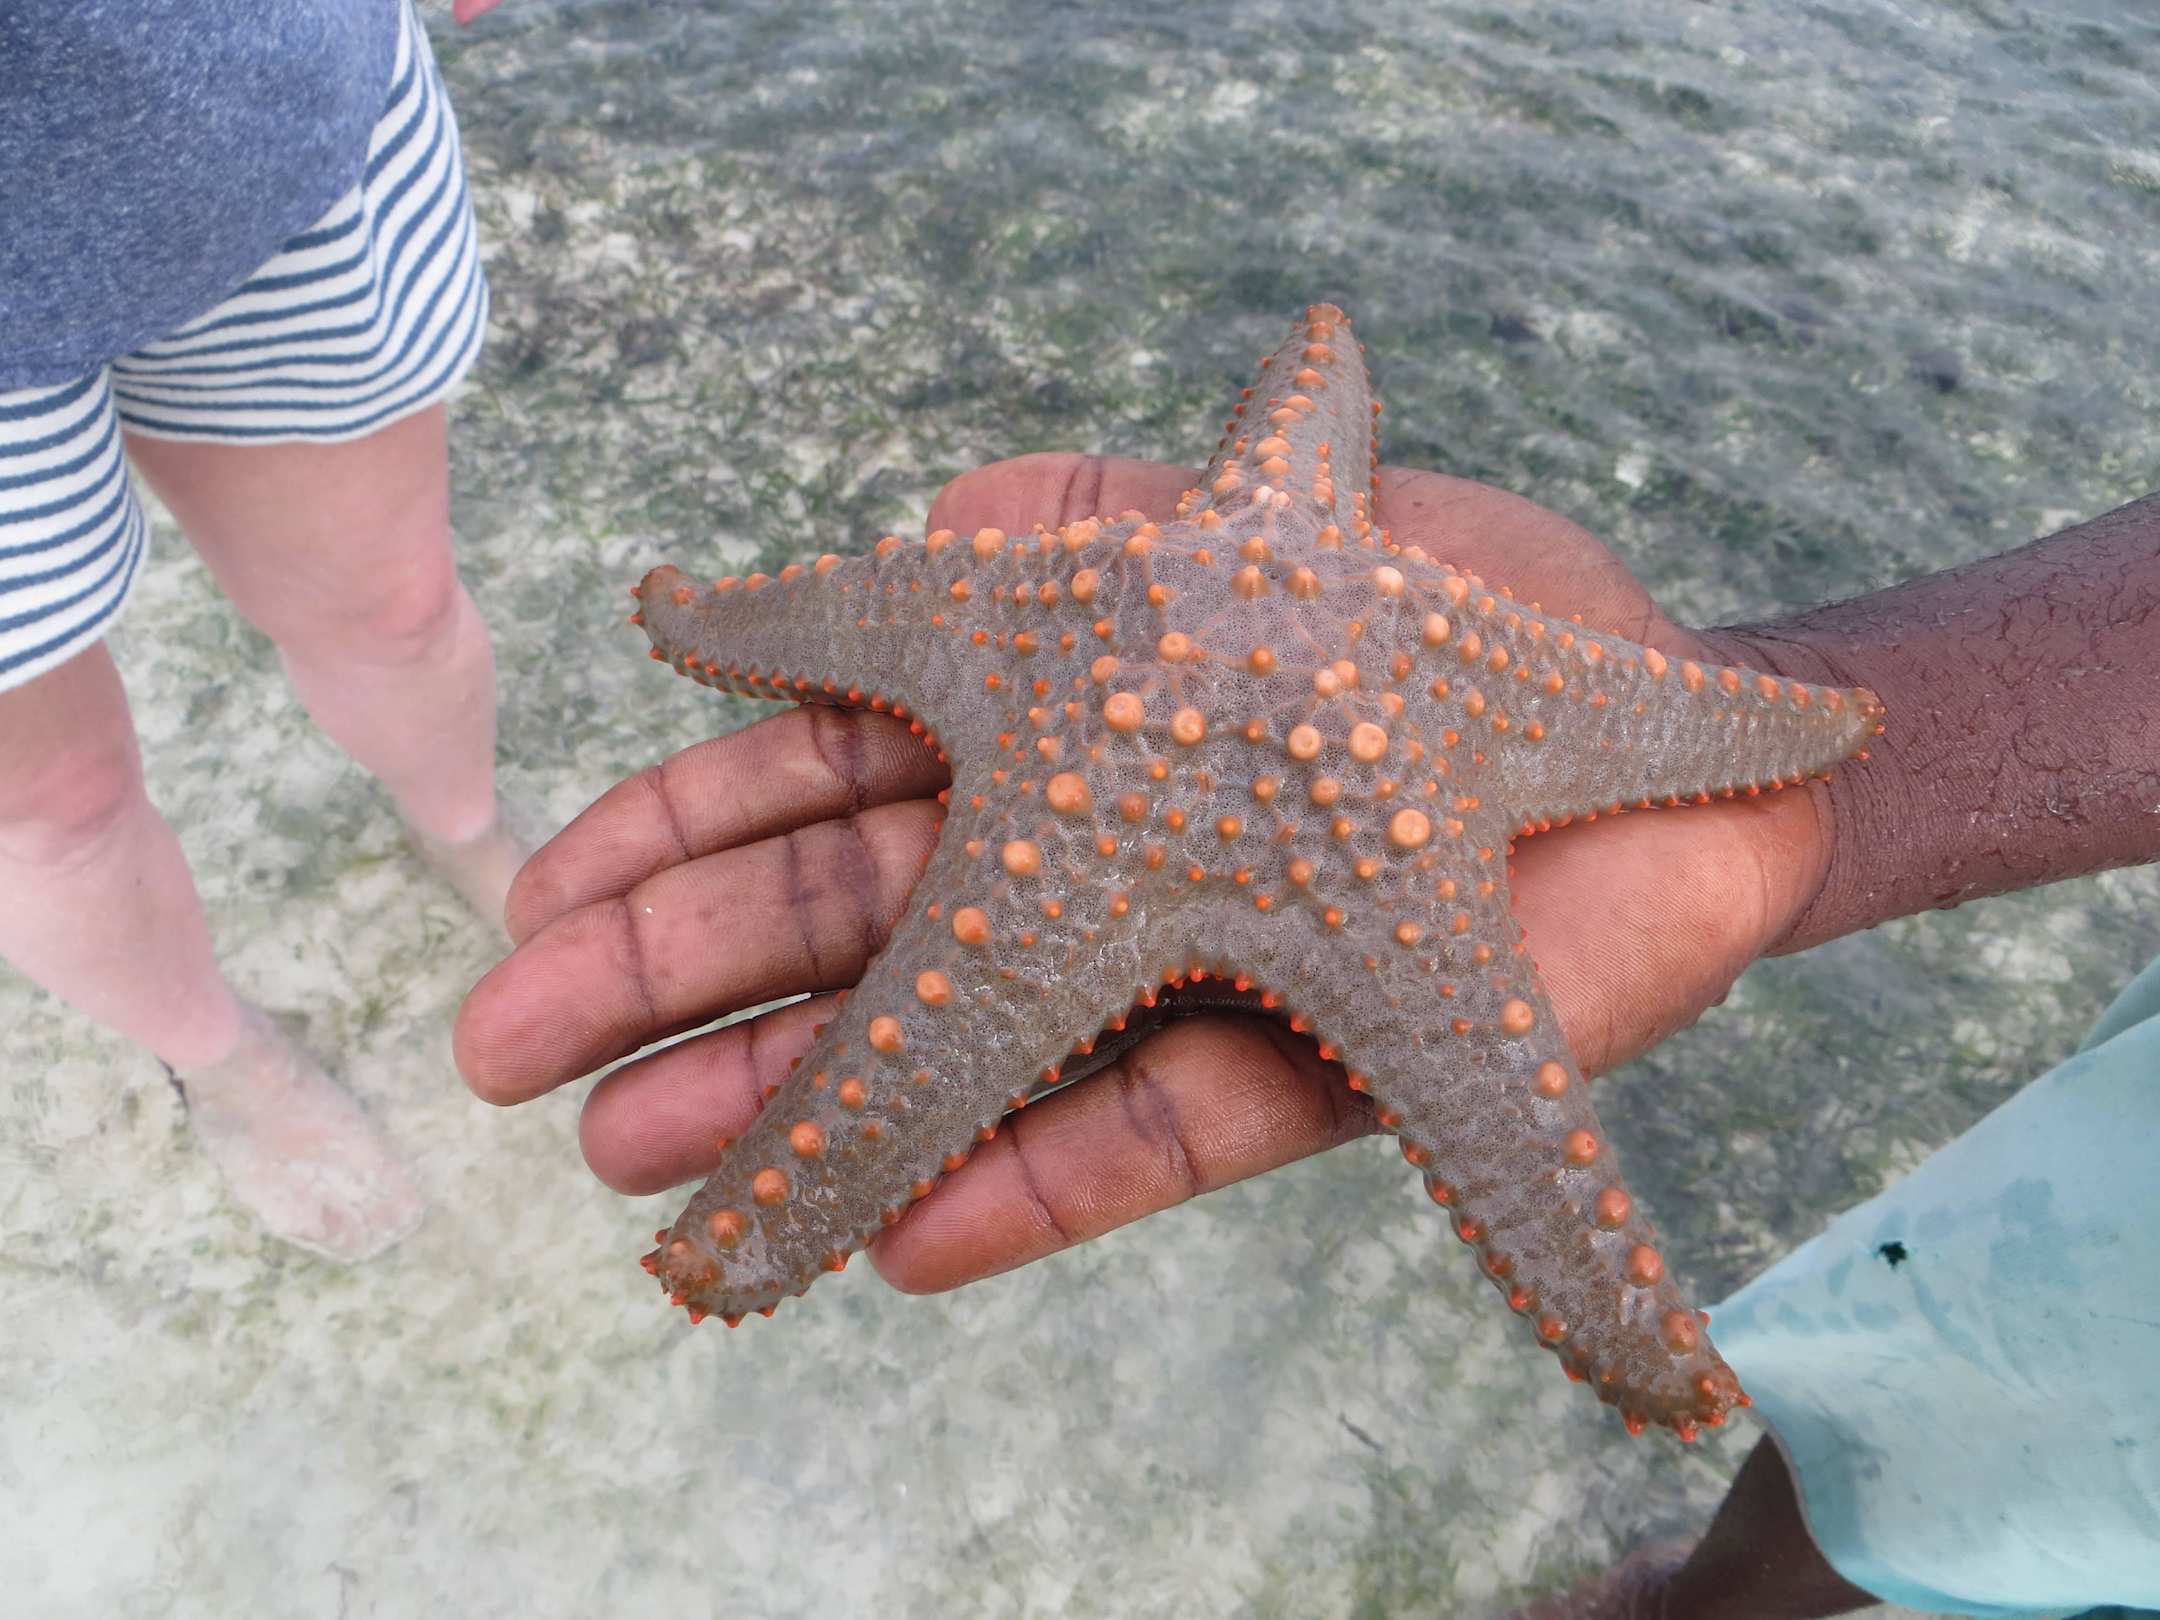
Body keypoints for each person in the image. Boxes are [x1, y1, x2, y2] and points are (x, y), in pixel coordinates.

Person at [453, 448, 2160, 1615]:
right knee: (1942, 1432)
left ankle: (1703, 1598)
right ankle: (1698, 1600)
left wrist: (1806, 745)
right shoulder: (1354, 626)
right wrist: (1819, 763)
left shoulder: (1083, 597)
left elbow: (1700, 716)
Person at [0, 0, 527, 1261]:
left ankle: (466, 828)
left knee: (394, 611)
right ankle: (222, 1058)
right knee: (53, 805)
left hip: (243, 103)